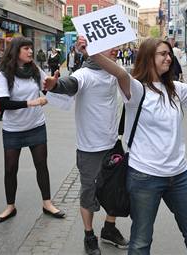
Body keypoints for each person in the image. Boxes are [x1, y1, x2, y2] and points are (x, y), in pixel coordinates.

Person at [76, 36, 187, 255]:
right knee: (141, 241)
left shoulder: (174, 89)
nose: (169, 58)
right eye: (163, 54)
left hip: (180, 175)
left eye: (169, 54)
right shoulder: (137, 90)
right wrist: (91, 52)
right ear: (148, 58)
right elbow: (120, 73)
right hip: (145, 177)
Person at [44, 45, 129, 255]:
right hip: (90, 148)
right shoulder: (84, 74)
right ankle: (89, 235)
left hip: (113, 143)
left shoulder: (115, 73)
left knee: (116, 189)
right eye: (111, 47)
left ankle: (109, 229)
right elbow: (69, 84)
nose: (116, 50)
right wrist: (55, 86)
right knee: (89, 194)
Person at [0, 37, 64, 224]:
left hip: (36, 126)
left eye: (31, 48)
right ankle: (10, 206)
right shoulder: (5, 74)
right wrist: (31, 102)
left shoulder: (34, 70)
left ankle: (47, 203)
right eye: (26, 49)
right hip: (13, 129)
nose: (31, 52)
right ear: (16, 51)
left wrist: (54, 83)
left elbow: (46, 89)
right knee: (10, 168)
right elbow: (4, 102)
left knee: (41, 165)